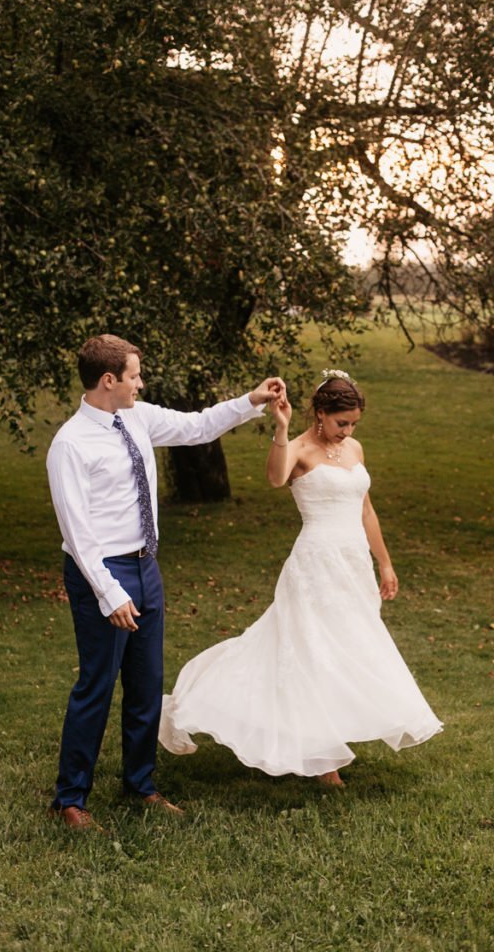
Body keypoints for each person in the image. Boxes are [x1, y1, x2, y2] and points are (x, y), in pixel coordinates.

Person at [46, 333, 284, 829]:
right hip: (101, 572)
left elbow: (197, 426)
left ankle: (141, 785)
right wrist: (109, 593)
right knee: (96, 684)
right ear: (108, 380)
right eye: (134, 375)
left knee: (146, 682)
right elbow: (78, 531)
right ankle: (71, 799)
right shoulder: (70, 444)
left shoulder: (135, 416)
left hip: (145, 566)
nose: (141, 382)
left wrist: (251, 401)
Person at [160, 369, 442, 786]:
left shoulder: (355, 449)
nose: (347, 431)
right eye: (341, 422)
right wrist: (281, 427)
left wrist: (384, 562)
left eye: (353, 424)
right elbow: (276, 478)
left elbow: (365, 510)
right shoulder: (298, 449)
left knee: (350, 649)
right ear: (320, 414)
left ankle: (333, 736)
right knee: (313, 652)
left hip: (353, 564)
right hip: (315, 566)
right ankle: (324, 761)